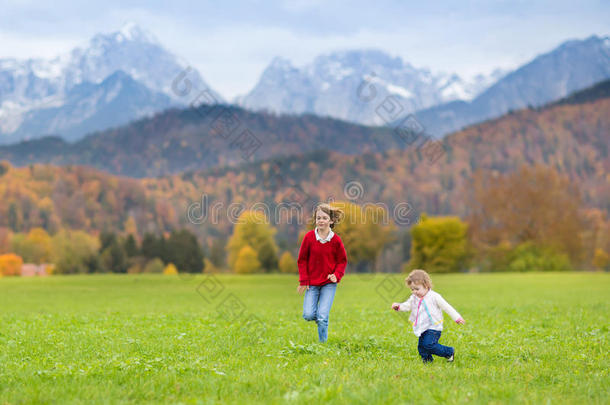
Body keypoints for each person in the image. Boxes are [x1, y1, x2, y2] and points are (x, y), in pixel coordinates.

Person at [297, 203, 347, 343]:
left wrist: (336, 275)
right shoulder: (309, 238)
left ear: (331, 221)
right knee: (308, 315)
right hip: (312, 283)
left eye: (324, 218)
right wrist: (304, 280)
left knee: (323, 316)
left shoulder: (336, 240)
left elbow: (342, 261)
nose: (321, 220)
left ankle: (322, 344)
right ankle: (319, 317)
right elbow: (302, 260)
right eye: (318, 218)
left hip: (329, 284)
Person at [391, 269, 465, 363]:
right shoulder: (414, 298)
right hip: (422, 326)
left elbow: (447, 307)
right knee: (421, 347)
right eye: (412, 289)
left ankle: (449, 352)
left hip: (434, 327)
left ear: (426, 286)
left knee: (429, 344)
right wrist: (399, 307)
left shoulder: (434, 297)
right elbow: (408, 305)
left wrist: (456, 317)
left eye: (417, 289)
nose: (414, 292)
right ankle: (427, 362)